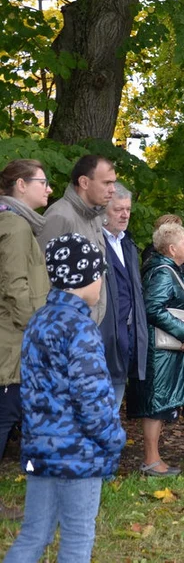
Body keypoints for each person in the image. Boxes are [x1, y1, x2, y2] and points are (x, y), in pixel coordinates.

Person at [3, 234, 124, 563]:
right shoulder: (81, 328)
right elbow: (93, 397)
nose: (101, 283)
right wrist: (113, 439)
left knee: (34, 533)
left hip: (40, 448)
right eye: (99, 274)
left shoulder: (39, 320)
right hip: (78, 453)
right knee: (78, 534)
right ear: (84, 278)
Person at [127, 222, 184, 477]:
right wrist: (183, 332)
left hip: (166, 350)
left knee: (160, 405)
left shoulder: (173, 271)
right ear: (171, 248)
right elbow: (153, 308)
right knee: (155, 405)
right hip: (159, 351)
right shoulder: (162, 272)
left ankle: (155, 458)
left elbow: (173, 306)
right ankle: (150, 459)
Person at [0, 160, 51, 471]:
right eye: (42, 182)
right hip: (12, 341)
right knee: (5, 416)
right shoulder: (16, 226)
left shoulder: (15, 222)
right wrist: (36, 330)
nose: (49, 189)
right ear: (21, 185)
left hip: (13, 335)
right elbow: (14, 285)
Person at [38, 154, 116, 324]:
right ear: (84, 182)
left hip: (87, 328)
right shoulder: (60, 216)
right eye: (106, 183)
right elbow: (40, 279)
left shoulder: (94, 217)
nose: (113, 189)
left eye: (113, 183)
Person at [100, 185, 148, 409]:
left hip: (126, 335)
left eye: (128, 209)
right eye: (118, 209)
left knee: (115, 400)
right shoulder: (96, 241)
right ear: (103, 210)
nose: (125, 214)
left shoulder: (127, 243)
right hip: (103, 334)